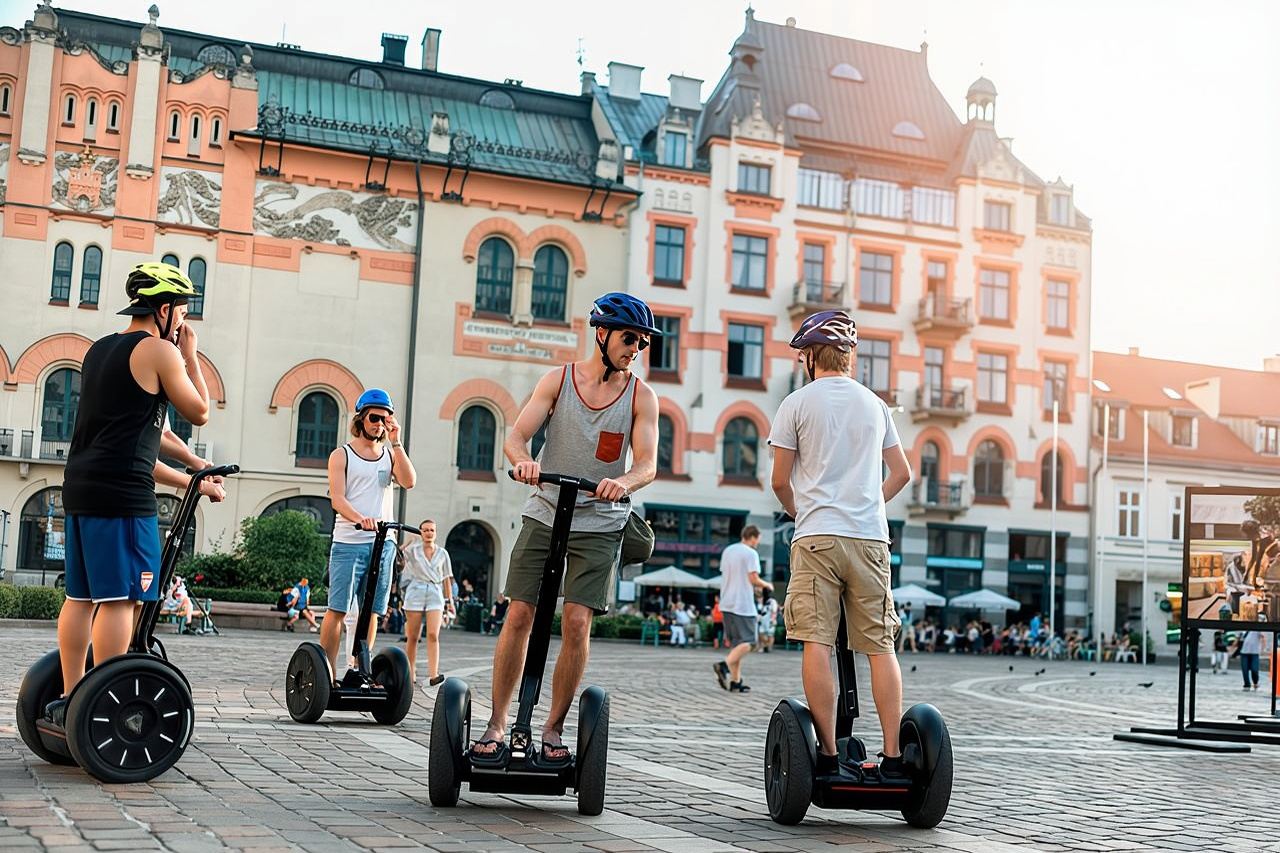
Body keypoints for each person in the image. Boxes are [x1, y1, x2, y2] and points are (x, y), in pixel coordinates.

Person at [471, 292, 660, 766]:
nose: (635, 348)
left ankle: (553, 728)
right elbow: (517, 436)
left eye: (641, 342)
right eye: (628, 338)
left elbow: (649, 463)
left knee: (576, 621)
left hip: (600, 520)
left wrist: (624, 481)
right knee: (519, 615)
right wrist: (524, 463)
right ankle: (497, 723)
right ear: (602, 334)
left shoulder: (642, 397)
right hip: (546, 510)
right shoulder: (558, 380)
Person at [45, 262, 226, 728]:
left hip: (81, 487)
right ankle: (104, 699)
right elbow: (200, 411)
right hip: (122, 498)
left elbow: (149, 433)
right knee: (122, 598)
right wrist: (189, 354)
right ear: (164, 311)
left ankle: (72, 697)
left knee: (81, 597)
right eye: (182, 314)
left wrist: (196, 470)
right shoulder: (159, 353)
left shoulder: (100, 350)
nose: (184, 324)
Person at [769, 309, 912, 777]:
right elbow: (902, 473)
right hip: (870, 538)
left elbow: (779, 480)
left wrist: (800, 510)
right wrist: (871, 504)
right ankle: (892, 757)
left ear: (810, 357)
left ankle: (828, 756)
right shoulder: (875, 405)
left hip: (817, 537)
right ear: (850, 356)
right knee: (880, 646)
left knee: (817, 642)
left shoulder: (796, 403)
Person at [318, 388, 417, 681]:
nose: (380, 424)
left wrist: (397, 441)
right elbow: (337, 499)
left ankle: (358, 669)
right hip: (349, 542)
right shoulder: (342, 455)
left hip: (383, 544)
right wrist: (361, 519)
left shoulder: (389, 455)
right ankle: (326, 672)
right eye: (375, 418)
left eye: (386, 419)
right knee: (337, 610)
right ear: (361, 418)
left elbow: (409, 481)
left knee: (372, 612)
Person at [712, 526, 772, 692]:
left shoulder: (728, 550)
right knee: (749, 643)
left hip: (726, 603)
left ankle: (735, 681)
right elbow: (753, 578)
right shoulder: (750, 553)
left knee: (737, 645)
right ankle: (723, 666)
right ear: (753, 537)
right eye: (758, 539)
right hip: (743, 605)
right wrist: (767, 584)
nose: (758, 543)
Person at [400, 519, 454, 686]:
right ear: (420, 532)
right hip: (416, 591)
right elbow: (398, 557)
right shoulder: (413, 551)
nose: (429, 533)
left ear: (435, 533)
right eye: (425, 530)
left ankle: (433, 674)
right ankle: (411, 671)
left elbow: (446, 578)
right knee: (413, 636)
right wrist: (408, 541)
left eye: (432, 530)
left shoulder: (442, 553)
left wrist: (450, 601)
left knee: (433, 634)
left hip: (435, 592)